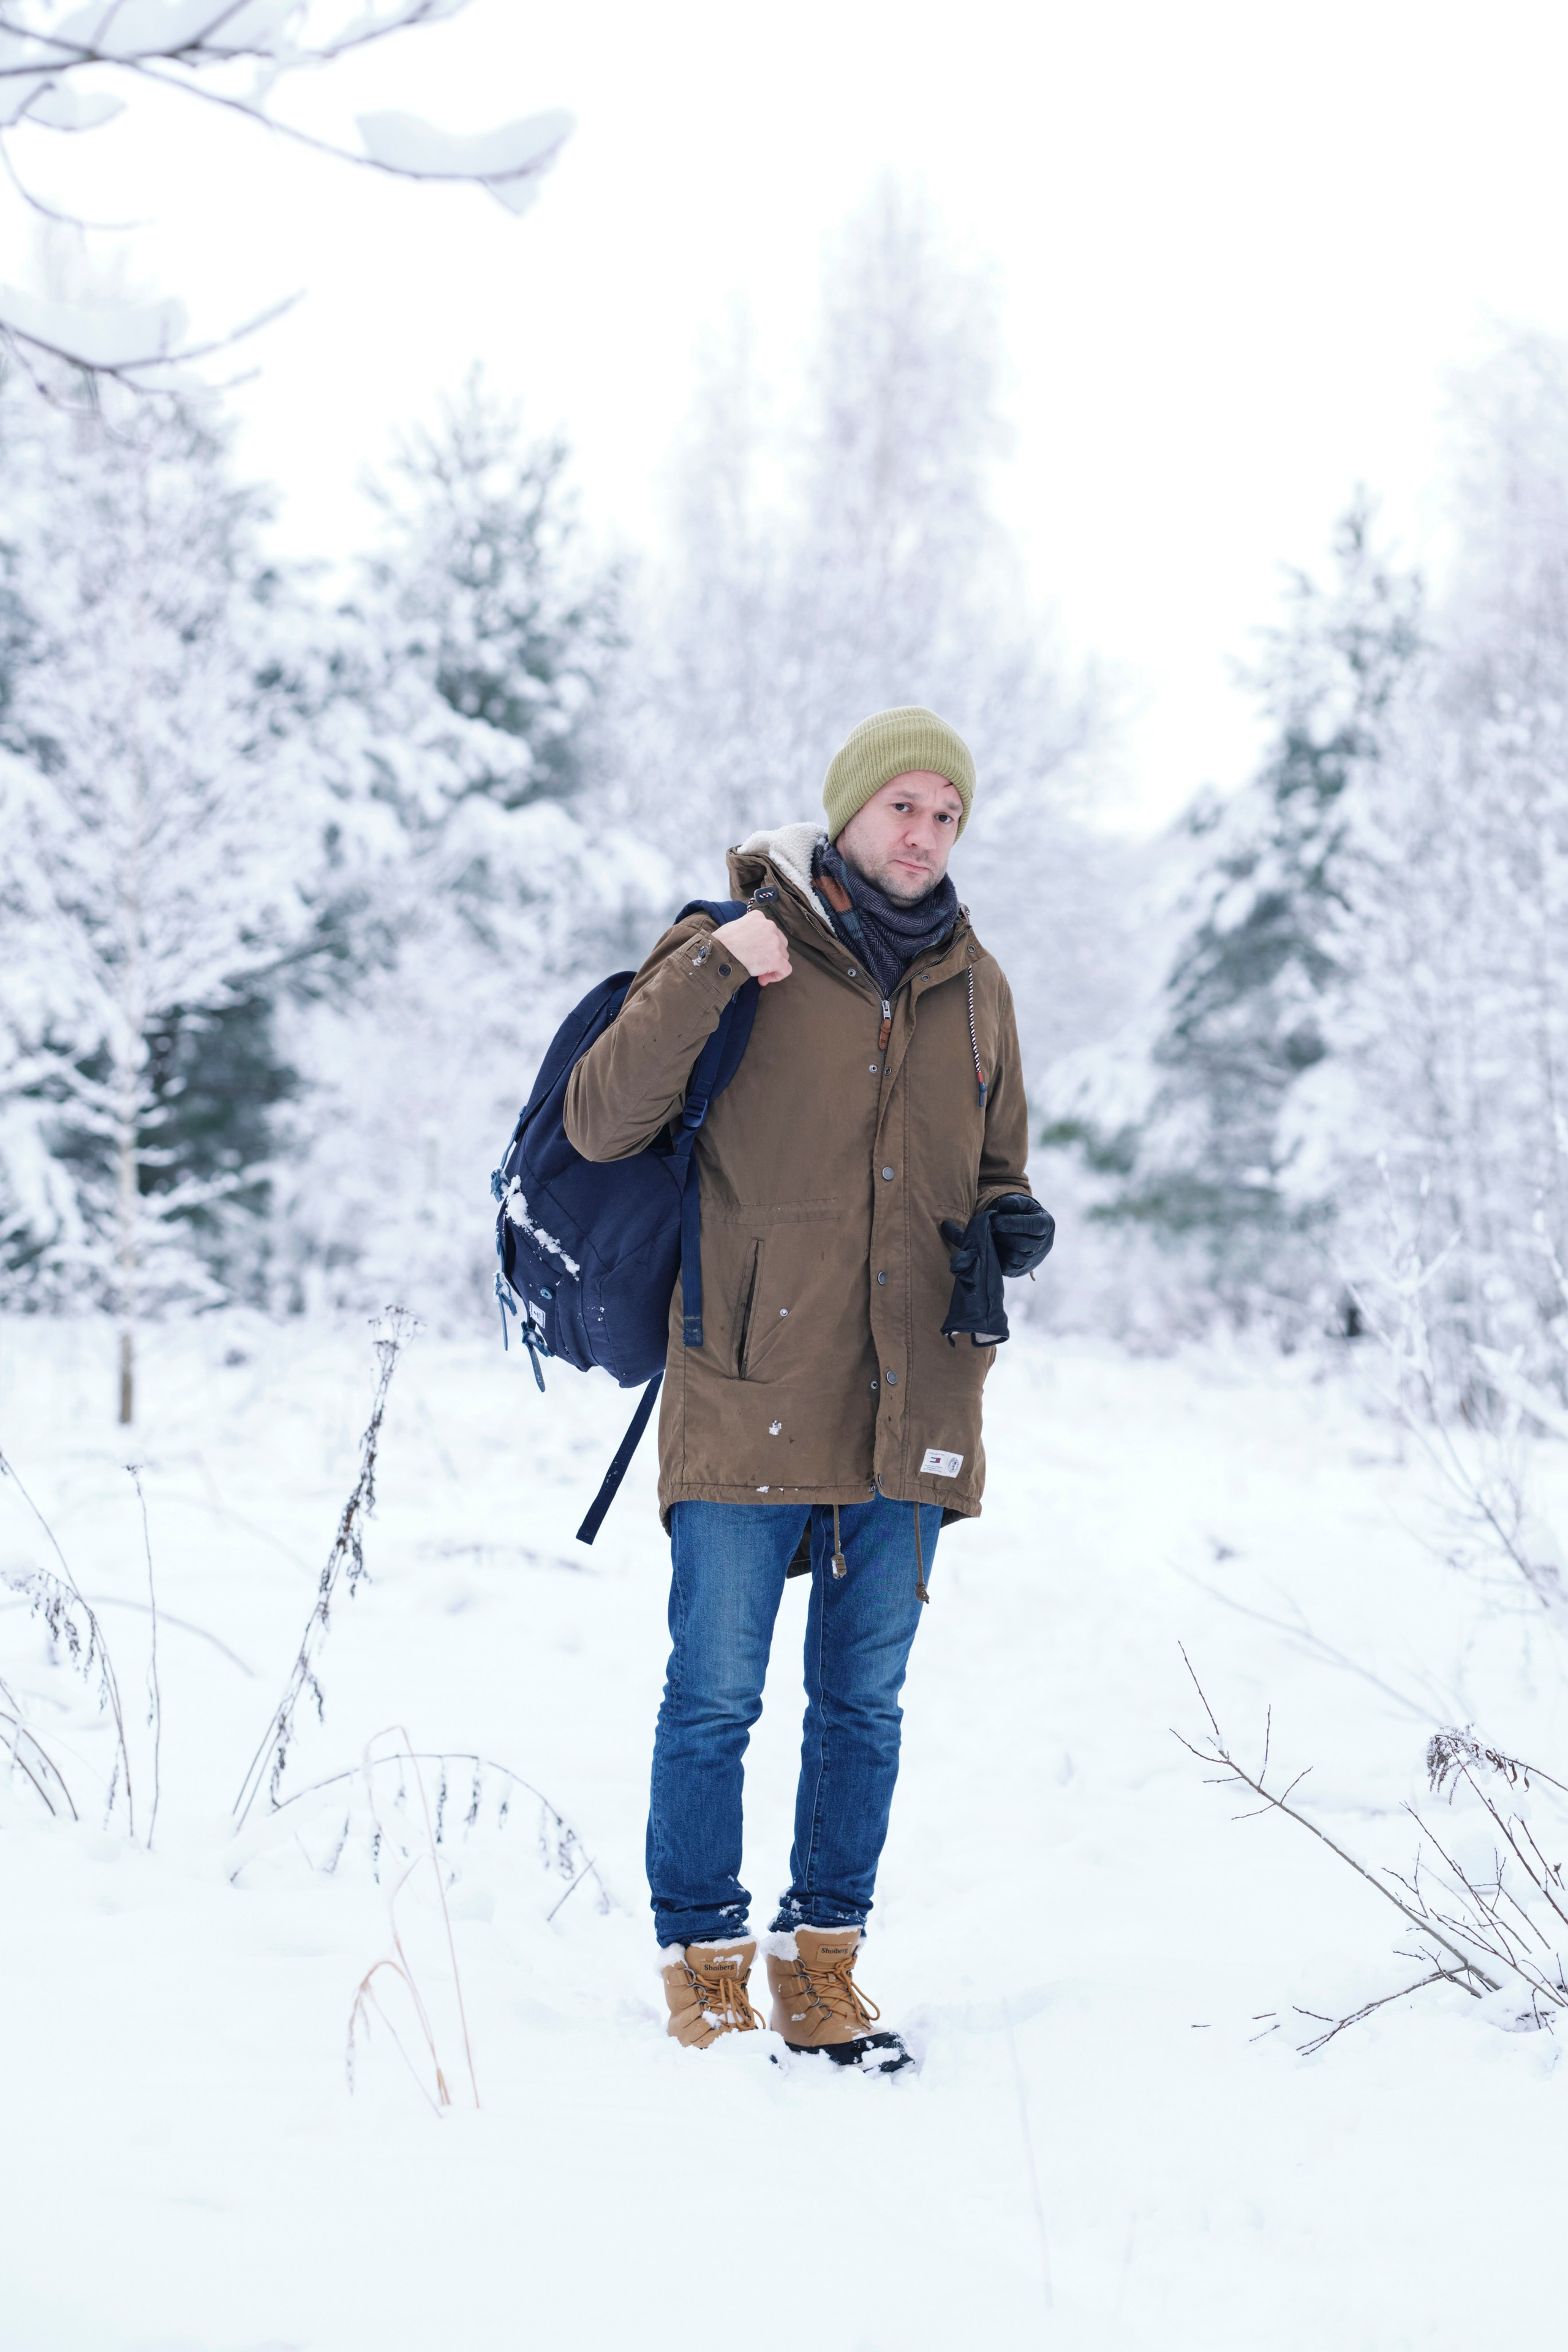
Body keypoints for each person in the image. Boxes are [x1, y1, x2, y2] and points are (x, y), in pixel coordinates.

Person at [564, 706, 1050, 2072]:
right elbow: (605, 1119)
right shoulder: (735, 945)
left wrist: (1011, 1223)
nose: (924, 834)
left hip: (912, 1397)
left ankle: (820, 1968)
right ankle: (705, 1971)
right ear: (844, 812)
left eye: (946, 815)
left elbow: (994, 1167)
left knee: (863, 1707)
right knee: (714, 1696)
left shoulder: (977, 988)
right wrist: (715, 969)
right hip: (747, 1377)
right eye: (902, 806)